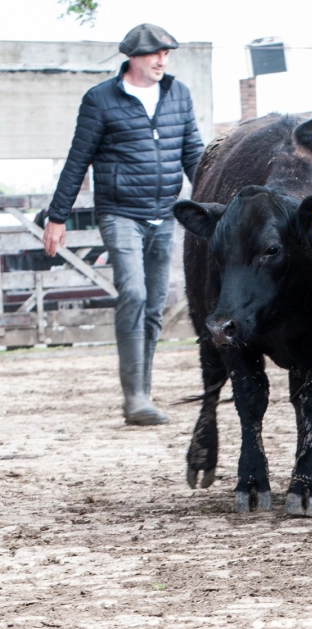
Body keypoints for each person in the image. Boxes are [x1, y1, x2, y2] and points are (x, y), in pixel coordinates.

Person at [43, 23, 204, 426]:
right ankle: (134, 396)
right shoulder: (100, 100)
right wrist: (56, 217)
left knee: (153, 303)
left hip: (165, 212)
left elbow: (194, 155)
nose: (162, 61)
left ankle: (142, 394)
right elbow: (77, 159)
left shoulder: (178, 94)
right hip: (119, 212)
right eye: (155, 54)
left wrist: (217, 204)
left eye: (166, 54)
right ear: (132, 56)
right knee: (132, 292)